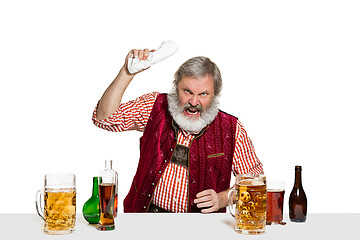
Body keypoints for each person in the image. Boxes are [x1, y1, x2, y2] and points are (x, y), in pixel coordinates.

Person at [92, 47, 263, 213]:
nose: (194, 102)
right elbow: (105, 119)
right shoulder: (155, 106)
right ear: (176, 87)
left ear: (215, 95)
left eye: (203, 94)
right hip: (143, 219)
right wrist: (127, 72)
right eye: (187, 91)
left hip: (200, 229)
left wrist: (223, 199)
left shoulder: (232, 130)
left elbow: (256, 181)